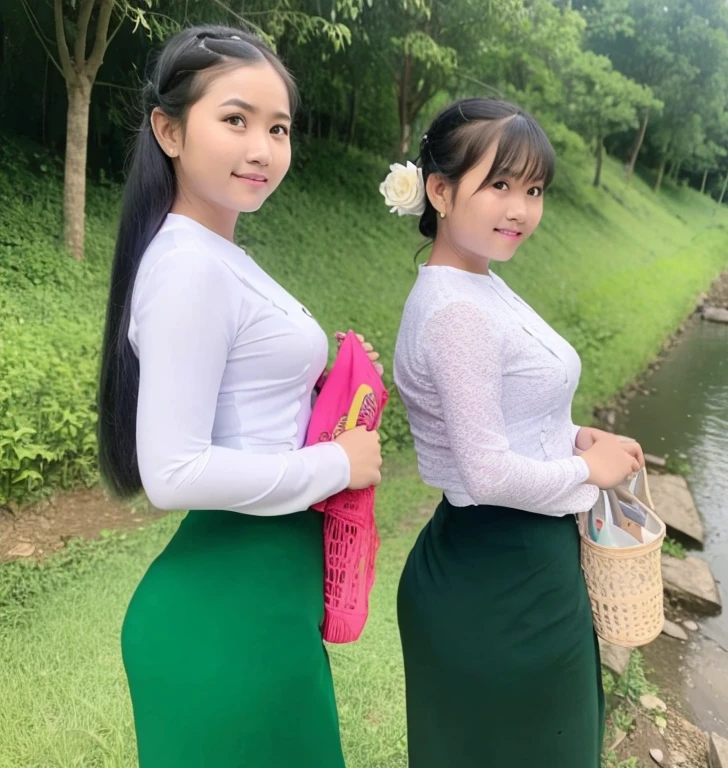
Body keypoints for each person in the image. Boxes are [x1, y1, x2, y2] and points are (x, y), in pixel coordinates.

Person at [97, 25, 382, 768]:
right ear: (168, 129)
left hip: (264, 598)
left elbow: (246, 408)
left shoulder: (215, 252)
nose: (262, 147)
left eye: (278, 128)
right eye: (236, 120)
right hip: (227, 614)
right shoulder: (189, 266)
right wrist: (338, 464)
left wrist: (324, 395)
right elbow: (174, 473)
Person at [387, 97, 645, 768]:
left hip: (511, 570)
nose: (520, 209)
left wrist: (577, 437)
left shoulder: (480, 284)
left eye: (532, 190)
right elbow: (489, 472)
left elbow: (512, 415)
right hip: (502, 579)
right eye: (498, 184)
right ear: (440, 190)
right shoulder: (456, 310)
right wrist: (593, 471)